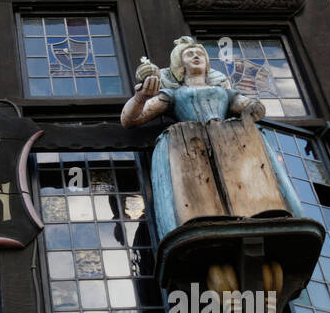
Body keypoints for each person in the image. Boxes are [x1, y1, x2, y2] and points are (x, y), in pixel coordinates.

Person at [121, 36, 302, 239]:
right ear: (180, 65)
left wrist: (252, 105)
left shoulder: (223, 92)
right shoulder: (174, 94)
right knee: (200, 191)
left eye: (200, 54)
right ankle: (199, 219)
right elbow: (131, 119)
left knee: (244, 176)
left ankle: (263, 211)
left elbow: (251, 108)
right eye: (189, 54)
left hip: (230, 142)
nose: (196, 56)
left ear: (208, 64)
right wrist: (140, 97)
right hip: (192, 144)